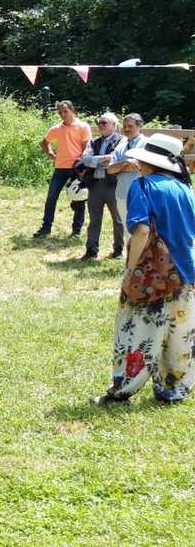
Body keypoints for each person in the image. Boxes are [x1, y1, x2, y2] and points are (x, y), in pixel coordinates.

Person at [92, 133, 195, 405]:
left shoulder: (144, 186)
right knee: (178, 334)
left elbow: (141, 231)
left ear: (149, 161)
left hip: (152, 274)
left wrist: (130, 270)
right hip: (186, 271)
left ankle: (122, 389)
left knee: (133, 332)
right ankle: (172, 390)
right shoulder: (185, 188)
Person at [34, 101, 91, 238]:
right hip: (60, 168)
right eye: (60, 113)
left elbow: (86, 149)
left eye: (65, 111)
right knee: (51, 198)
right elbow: (44, 143)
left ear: (72, 110)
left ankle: (76, 231)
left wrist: (83, 166)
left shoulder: (83, 126)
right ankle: (46, 228)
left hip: (78, 168)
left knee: (79, 199)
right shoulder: (56, 129)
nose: (63, 115)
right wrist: (51, 155)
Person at [78, 113, 126, 260]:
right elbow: (85, 159)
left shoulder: (122, 140)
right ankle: (91, 251)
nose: (100, 125)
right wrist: (103, 159)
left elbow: (115, 159)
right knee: (94, 219)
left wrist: (96, 160)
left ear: (114, 125)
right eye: (99, 123)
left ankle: (118, 250)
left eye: (104, 123)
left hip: (113, 184)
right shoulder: (93, 141)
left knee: (118, 219)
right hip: (95, 184)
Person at [106, 113, 147, 221]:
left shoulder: (146, 144)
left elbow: (139, 167)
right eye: (124, 126)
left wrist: (118, 169)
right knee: (126, 228)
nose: (126, 129)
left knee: (141, 228)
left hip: (140, 195)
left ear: (139, 126)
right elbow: (109, 169)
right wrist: (125, 162)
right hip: (122, 194)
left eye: (130, 126)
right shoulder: (121, 145)